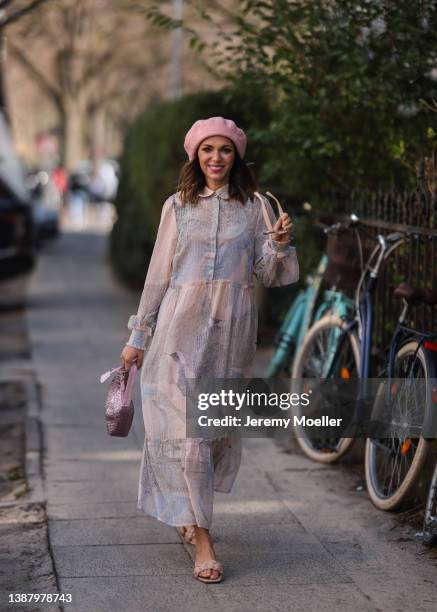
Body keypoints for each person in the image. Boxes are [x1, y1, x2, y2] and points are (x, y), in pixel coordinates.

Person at [120, 116, 299, 583]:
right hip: (178, 333)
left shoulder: (254, 206)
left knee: (208, 433)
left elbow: (271, 273)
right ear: (194, 156)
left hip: (231, 336)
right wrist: (138, 337)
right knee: (186, 434)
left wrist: (279, 244)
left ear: (236, 155)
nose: (215, 158)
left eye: (224, 149)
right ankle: (203, 539)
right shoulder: (177, 206)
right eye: (207, 150)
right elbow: (158, 275)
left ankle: (186, 511)